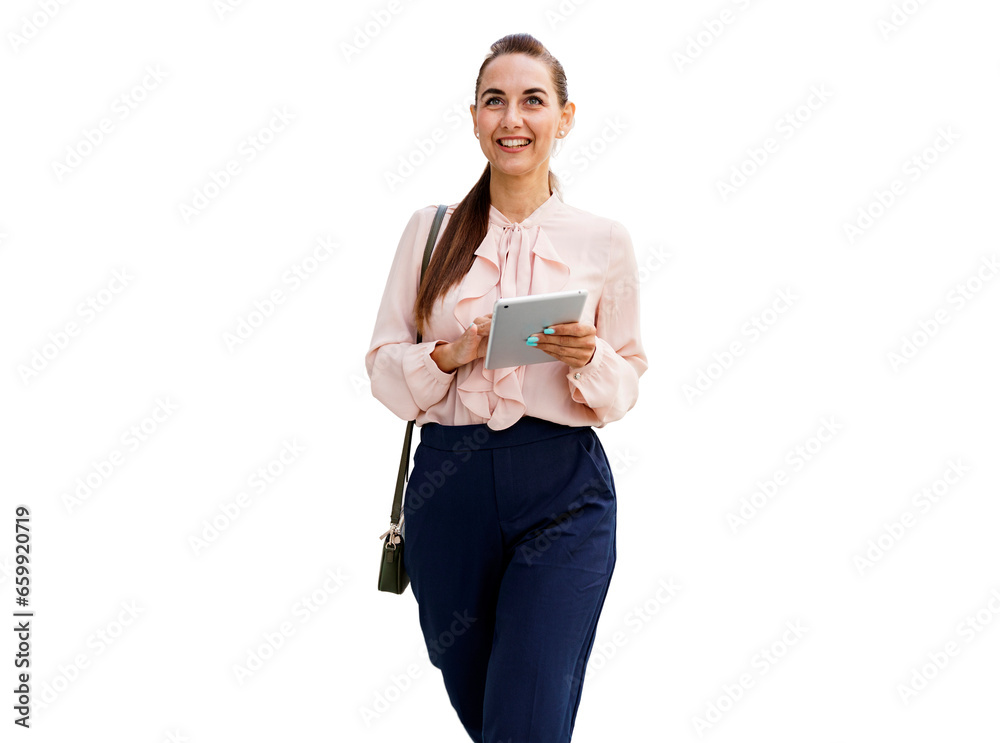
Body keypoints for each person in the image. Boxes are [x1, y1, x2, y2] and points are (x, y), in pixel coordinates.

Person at [365, 32, 647, 743]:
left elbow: (626, 386)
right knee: (491, 714)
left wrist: (588, 357)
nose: (512, 119)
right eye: (495, 101)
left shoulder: (604, 241)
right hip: (448, 490)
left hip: (564, 488)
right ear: (473, 117)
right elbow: (382, 370)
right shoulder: (430, 233)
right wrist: (452, 353)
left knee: (525, 720)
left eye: (533, 101)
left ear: (566, 116)